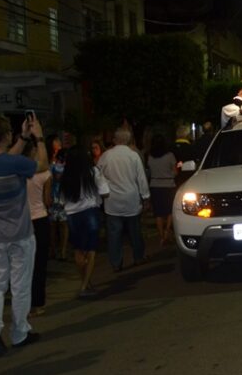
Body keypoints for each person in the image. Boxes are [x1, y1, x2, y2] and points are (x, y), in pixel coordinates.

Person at [0, 113, 46, 357]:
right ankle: (19, 332)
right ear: (6, 135)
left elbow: (6, 159)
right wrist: (39, 138)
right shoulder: (16, 164)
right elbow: (42, 165)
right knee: (20, 285)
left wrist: (23, 138)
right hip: (20, 234)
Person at [98, 127, 151, 272]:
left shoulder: (106, 156)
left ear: (115, 140)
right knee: (135, 232)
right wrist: (146, 197)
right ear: (128, 140)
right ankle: (138, 257)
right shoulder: (133, 156)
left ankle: (116, 262)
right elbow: (141, 178)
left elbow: (98, 174)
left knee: (114, 235)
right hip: (131, 200)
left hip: (112, 200)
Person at [61, 146, 109, 298]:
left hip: (72, 214)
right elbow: (105, 192)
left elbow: (62, 199)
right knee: (91, 250)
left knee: (78, 250)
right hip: (90, 211)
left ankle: (86, 283)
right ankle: (84, 286)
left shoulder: (66, 175)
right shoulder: (93, 172)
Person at [24, 141, 51, 317]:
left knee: (23, 264)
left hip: (22, 220)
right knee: (40, 263)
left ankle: (23, 303)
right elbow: (47, 200)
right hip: (40, 218)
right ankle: (38, 303)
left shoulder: (18, 172)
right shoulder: (45, 174)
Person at [147, 134, 178, 248]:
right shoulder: (170, 156)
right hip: (168, 185)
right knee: (170, 210)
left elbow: (149, 171)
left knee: (158, 213)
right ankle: (167, 231)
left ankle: (161, 236)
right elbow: (175, 172)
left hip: (155, 186)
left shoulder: (150, 157)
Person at [47, 144, 68, 261]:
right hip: (60, 197)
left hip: (57, 197)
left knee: (54, 226)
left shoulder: (52, 167)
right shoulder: (58, 167)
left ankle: (56, 250)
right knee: (61, 226)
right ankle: (60, 251)